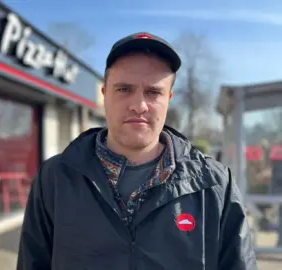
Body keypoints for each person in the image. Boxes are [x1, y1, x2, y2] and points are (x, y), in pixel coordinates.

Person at [16, 32, 257, 270]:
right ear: (104, 95)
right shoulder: (55, 178)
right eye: (124, 89)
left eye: (153, 92)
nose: (138, 106)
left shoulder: (214, 185)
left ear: (169, 98)